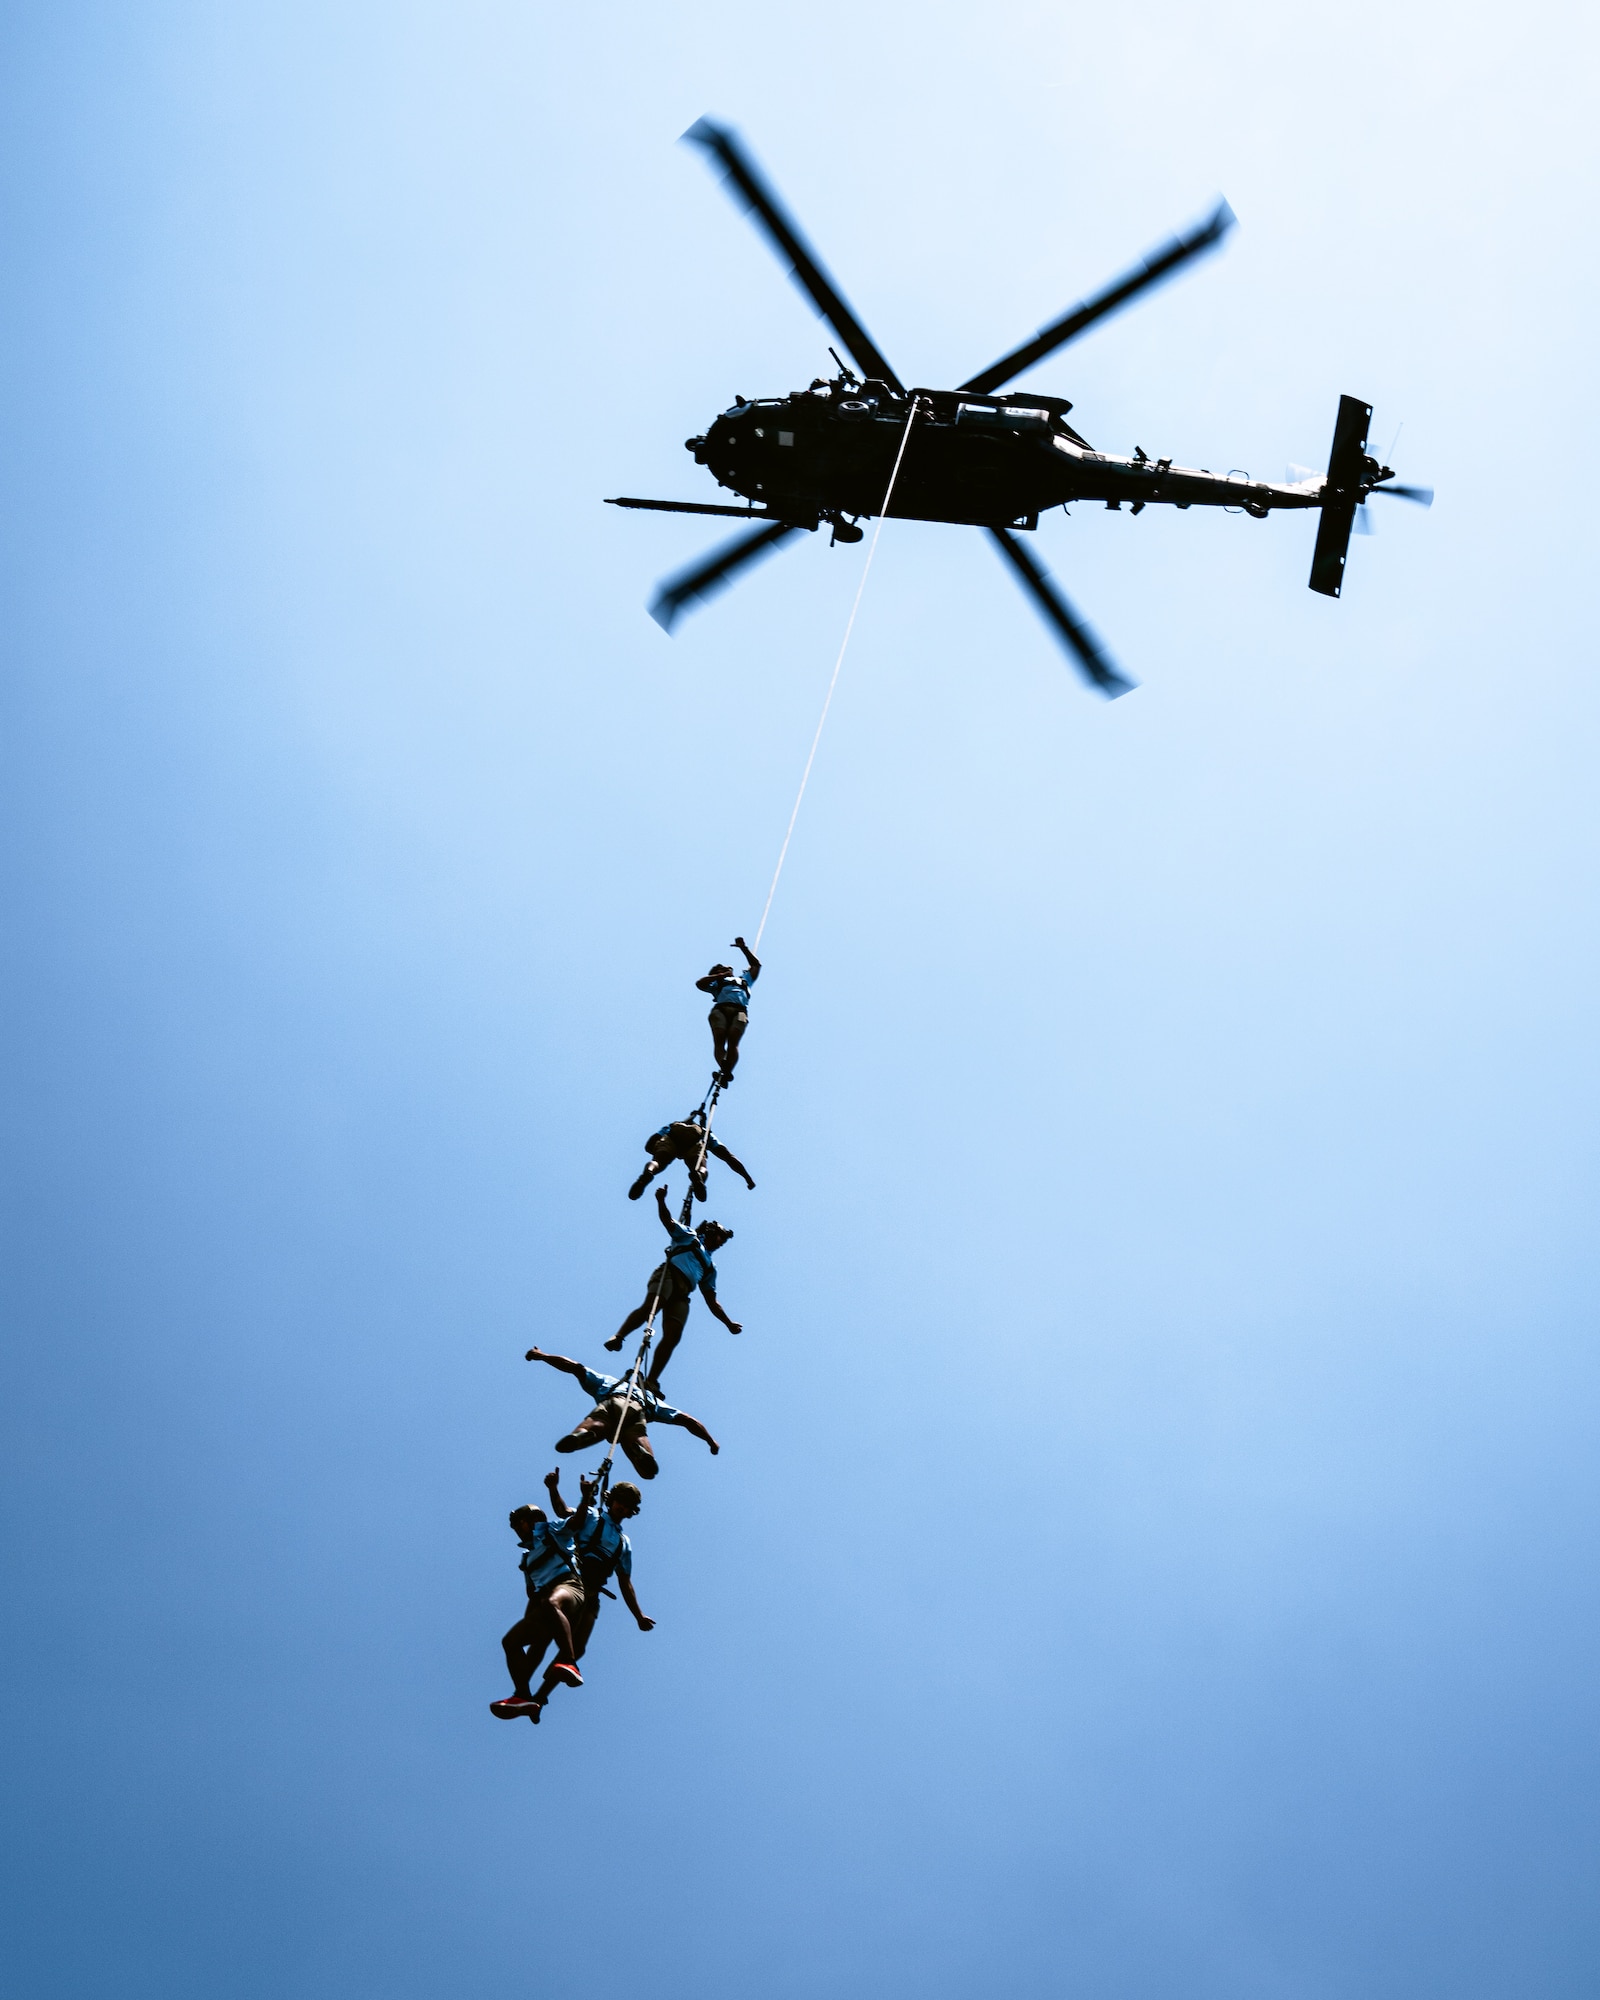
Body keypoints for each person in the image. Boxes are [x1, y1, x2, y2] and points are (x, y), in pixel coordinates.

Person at [491, 1473, 653, 1725]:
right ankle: (522, 1694)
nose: (622, 1507)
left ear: (632, 1511)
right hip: (571, 1578)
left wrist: (638, 1615)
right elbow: (564, 1511)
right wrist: (556, 1489)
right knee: (539, 1641)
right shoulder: (591, 1515)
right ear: (611, 1500)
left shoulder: (624, 1543)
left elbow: (625, 1582)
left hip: (591, 1594)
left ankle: (538, 1701)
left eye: (628, 1505)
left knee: (577, 1648)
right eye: (620, 1501)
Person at [603, 1183, 741, 1389]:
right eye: (721, 1236)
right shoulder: (689, 1237)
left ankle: (651, 1380)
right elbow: (667, 1221)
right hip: (668, 1275)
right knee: (651, 1306)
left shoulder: (710, 1266)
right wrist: (661, 1201)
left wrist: (728, 1323)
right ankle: (619, 1336)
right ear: (711, 1231)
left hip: (683, 1292)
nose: (722, 1242)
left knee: (673, 1335)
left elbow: (712, 1301)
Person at [524, 1344, 720, 1480]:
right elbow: (687, 1420)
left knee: (599, 1424)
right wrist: (710, 1441)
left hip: (612, 1400)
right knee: (641, 1455)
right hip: (638, 1411)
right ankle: (639, 1449)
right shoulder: (654, 1401)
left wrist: (542, 1355)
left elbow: (576, 1367)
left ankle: (583, 1434)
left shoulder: (608, 1381)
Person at [628, 1111, 756, 1205]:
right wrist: (747, 1178)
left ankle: (647, 1174)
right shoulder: (706, 1133)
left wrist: (654, 1150)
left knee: (658, 1162)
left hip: (674, 1134)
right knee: (700, 1166)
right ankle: (699, 1176)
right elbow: (728, 1156)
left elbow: (649, 1144)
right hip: (696, 1138)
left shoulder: (672, 1125)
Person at [695, 935, 761, 1083]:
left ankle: (727, 1071)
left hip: (740, 1011)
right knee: (719, 1039)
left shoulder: (744, 979)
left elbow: (756, 965)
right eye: (721, 968)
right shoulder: (717, 982)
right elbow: (699, 983)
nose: (726, 968)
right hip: (721, 1009)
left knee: (733, 1040)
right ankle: (723, 1067)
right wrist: (721, 975)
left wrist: (744, 948)